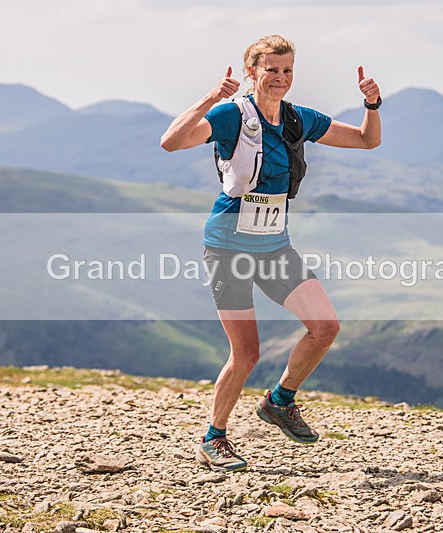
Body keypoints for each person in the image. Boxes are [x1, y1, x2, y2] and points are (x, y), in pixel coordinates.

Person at [160, 34, 381, 472]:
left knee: (325, 326)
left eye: (287, 70)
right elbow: (171, 141)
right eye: (271, 70)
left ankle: (279, 401)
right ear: (252, 72)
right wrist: (210, 98)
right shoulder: (232, 114)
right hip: (228, 245)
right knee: (246, 353)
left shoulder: (298, 119)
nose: (280, 78)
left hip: (274, 244)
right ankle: (213, 439)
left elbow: (365, 140)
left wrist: (372, 105)